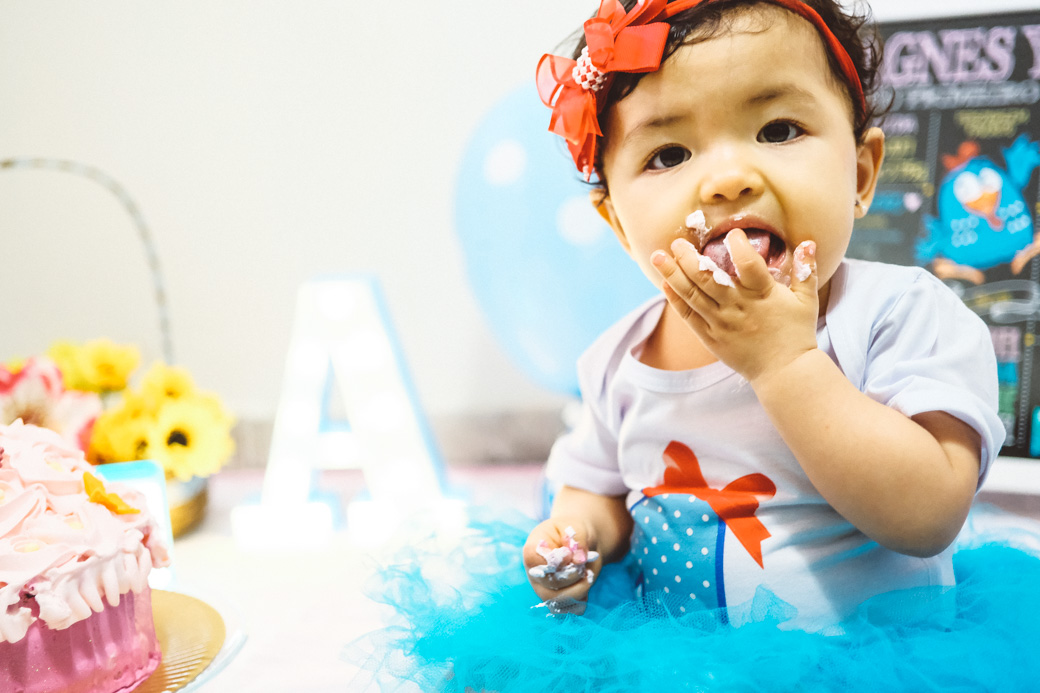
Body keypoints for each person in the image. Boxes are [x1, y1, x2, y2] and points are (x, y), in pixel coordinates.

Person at [523, 0, 1006, 631]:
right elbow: (601, 490)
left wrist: (785, 363)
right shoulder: (620, 358)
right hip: (679, 669)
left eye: (777, 130)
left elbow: (929, 513)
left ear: (860, 174)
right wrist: (576, 530)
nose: (726, 180)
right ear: (618, 223)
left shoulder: (897, 314)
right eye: (668, 155)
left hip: (859, 666)